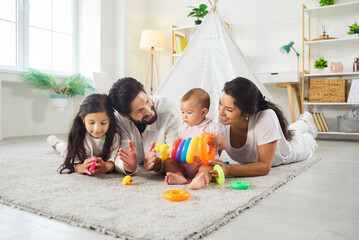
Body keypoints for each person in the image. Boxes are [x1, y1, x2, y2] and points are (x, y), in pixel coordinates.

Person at [209, 77, 318, 178]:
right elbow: (212, 156)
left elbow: (264, 166)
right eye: (220, 103)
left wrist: (230, 169)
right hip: (279, 135)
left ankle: (306, 121)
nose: (221, 112)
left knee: (307, 138)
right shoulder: (220, 119)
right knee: (292, 130)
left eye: (229, 109)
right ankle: (303, 122)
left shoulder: (266, 117)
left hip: (294, 148)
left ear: (246, 113)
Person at [48, 93, 137, 175]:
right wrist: (82, 168)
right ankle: (55, 142)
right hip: (73, 149)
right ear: (83, 119)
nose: (97, 129)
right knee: (64, 149)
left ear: (110, 120)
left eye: (103, 123)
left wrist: (106, 166)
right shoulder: (79, 136)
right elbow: (76, 164)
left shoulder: (114, 136)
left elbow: (112, 162)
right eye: (91, 122)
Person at [108, 77, 181, 173]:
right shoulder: (119, 120)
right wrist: (128, 166)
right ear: (124, 115)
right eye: (140, 110)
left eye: (147, 101)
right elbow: (121, 154)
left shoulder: (170, 110)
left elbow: (176, 155)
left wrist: (157, 164)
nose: (149, 111)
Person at [163, 88, 224, 190]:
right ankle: (179, 176)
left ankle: (198, 178)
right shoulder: (183, 128)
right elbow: (179, 145)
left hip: (204, 163)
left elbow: (225, 144)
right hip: (185, 163)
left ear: (203, 112)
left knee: (207, 168)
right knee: (168, 162)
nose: (184, 116)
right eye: (182, 112)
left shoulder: (211, 127)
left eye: (189, 112)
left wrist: (219, 140)